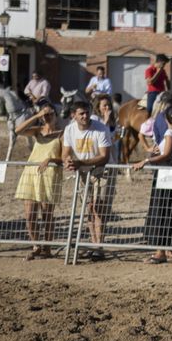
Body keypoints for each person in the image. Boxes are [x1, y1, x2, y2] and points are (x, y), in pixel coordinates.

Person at [132, 102, 172, 265]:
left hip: (167, 172)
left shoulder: (170, 132)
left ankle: (160, 251)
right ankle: (171, 248)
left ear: (165, 118)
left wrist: (146, 160)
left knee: (161, 208)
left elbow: (167, 154)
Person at [62, 99, 116, 260]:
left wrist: (80, 162)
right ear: (73, 115)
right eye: (81, 113)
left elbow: (104, 156)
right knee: (88, 208)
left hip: (102, 171)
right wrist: (67, 161)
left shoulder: (100, 129)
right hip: (83, 172)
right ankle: (93, 244)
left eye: (87, 112)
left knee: (98, 207)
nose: (85, 116)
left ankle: (99, 246)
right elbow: (65, 152)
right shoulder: (69, 129)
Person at [13, 104, 65, 259]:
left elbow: (65, 157)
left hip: (50, 174)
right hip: (31, 173)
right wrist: (36, 116)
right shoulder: (37, 131)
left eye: (50, 113)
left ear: (56, 115)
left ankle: (47, 247)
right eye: (45, 114)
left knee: (47, 214)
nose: (47, 116)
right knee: (30, 214)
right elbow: (18, 131)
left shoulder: (62, 133)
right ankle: (35, 245)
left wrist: (51, 159)